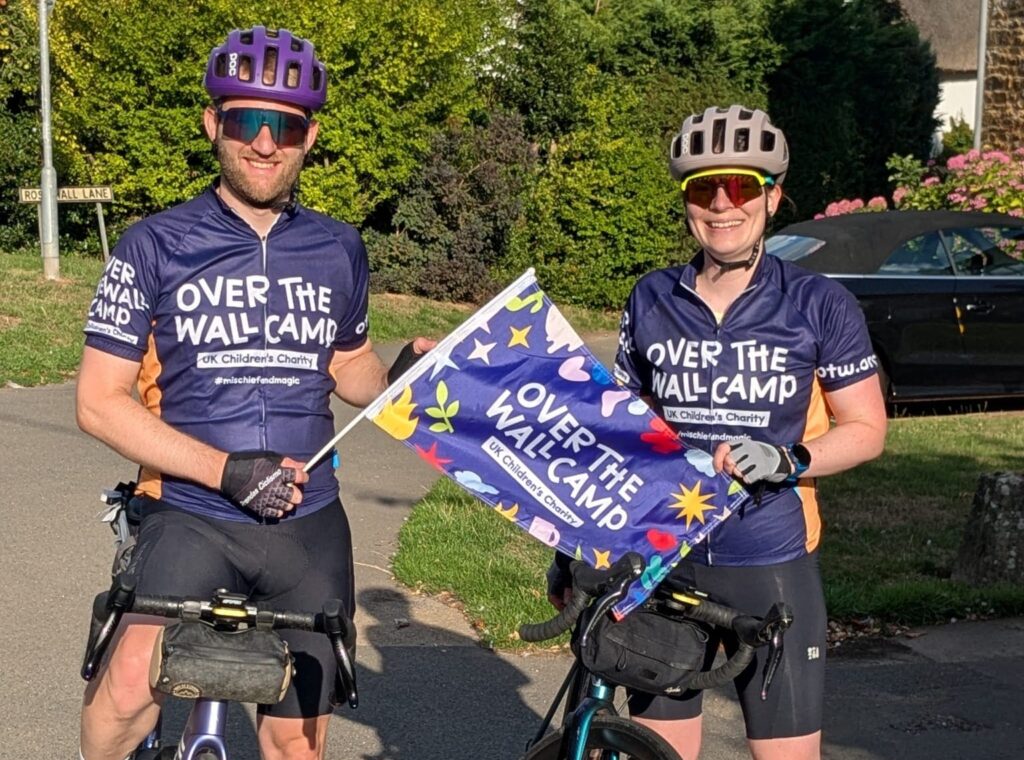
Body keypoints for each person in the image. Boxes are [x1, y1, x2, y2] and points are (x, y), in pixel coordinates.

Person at [77, 26, 431, 760]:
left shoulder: (338, 247)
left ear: (310, 136)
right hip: (192, 512)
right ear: (213, 124)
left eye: (287, 125)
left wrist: (400, 376)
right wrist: (224, 471)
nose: (265, 143)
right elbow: (99, 400)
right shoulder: (153, 244)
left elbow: (347, 363)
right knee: (122, 696)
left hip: (308, 521)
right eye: (246, 121)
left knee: (298, 743)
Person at [598, 105, 886, 760]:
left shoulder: (819, 303)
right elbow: (622, 430)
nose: (723, 204)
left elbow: (867, 429)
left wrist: (790, 458)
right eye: (704, 189)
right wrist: (579, 547)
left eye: (743, 186)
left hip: (770, 559)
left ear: (773, 196)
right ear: (685, 202)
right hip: (665, 557)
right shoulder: (651, 298)